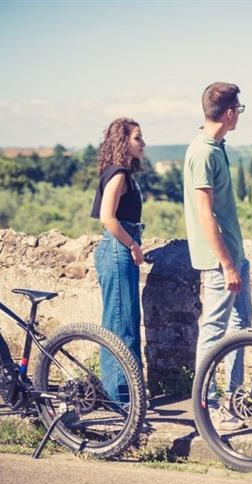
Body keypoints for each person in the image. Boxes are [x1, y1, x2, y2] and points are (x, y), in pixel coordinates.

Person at [183, 82, 252, 430]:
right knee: (213, 331)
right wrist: (226, 264)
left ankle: (233, 399)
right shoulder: (204, 152)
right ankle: (208, 406)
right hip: (219, 262)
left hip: (234, 256)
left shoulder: (216, 147)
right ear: (228, 112)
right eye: (239, 109)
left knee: (241, 325)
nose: (239, 114)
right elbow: (204, 214)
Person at [90, 117, 146, 404]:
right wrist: (133, 245)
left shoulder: (119, 173)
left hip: (116, 250)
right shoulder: (119, 174)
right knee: (121, 327)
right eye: (137, 137)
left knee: (123, 322)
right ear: (123, 142)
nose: (143, 143)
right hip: (118, 249)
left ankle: (127, 396)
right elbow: (107, 218)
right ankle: (122, 400)